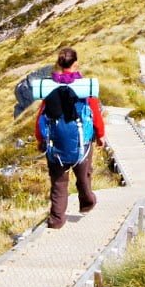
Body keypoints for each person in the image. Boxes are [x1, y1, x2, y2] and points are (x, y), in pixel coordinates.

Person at [36, 46, 105, 229]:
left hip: (56, 143)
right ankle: (87, 202)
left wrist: (40, 139)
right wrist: (100, 135)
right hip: (82, 142)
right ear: (75, 64)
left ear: (58, 64)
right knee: (84, 176)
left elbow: (41, 115)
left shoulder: (49, 87)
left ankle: (57, 220)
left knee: (58, 183)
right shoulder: (84, 87)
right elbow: (94, 113)